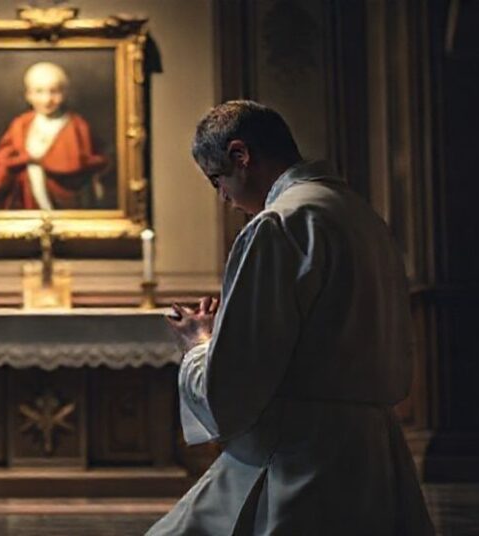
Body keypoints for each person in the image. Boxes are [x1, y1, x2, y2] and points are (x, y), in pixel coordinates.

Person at [149, 101, 434, 535]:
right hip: (375, 455)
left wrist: (200, 344)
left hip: (298, 454)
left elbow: (235, 387)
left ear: (241, 156)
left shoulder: (279, 223)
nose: (223, 198)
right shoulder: (359, 215)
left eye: (217, 180)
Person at [0, 62, 109, 210]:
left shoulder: (77, 125)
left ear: (64, 93)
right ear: (28, 95)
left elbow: (90, 162)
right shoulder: (21, 124)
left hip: (68, 201)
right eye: (39, 92)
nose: (47, 100)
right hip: (28, 197)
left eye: (54, 92)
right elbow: (3, 157)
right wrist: (13, 162)